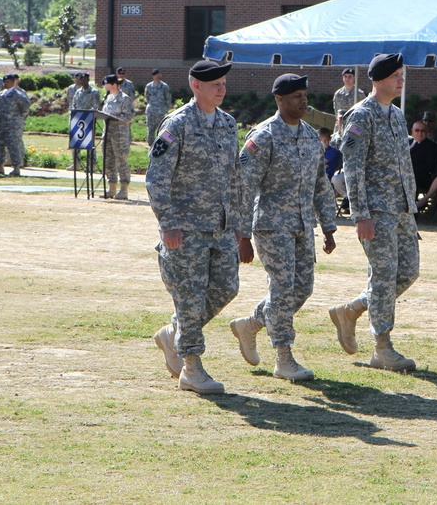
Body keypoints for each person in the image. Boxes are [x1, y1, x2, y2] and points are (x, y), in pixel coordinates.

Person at [145, 60, 246, 395]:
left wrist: (237, 224)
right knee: (190, 298)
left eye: (223, 83)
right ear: (195, 85)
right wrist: (168, 224)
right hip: (185, 230)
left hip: (220, 227)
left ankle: (174, 333)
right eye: (215, 83)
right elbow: (156, 179)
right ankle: (191, 367)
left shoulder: (228, 124)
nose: (221, 88)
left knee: (227, 288)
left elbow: (234, 178)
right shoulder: (177, 124)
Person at [231, 74, 337, 381]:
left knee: (302, 288)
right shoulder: (263, 136)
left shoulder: (309, 136)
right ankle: (284, 357)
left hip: (303, 226)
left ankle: (250, 324)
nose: (303, 102)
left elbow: (321, 185)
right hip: (271, 226)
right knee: (282, 288)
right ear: (279, 100)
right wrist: (243, 235)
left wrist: (329, 227)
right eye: (296, 97)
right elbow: (244, 186)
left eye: (305, 96)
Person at [328, 52, 419, 372]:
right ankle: (382, 347)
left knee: (408, 272)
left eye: (402, 74)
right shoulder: (360, 115)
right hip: (376, 211)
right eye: (395, 75)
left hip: (402, 210)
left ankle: (351, 310)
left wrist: (412, 205)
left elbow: (403, 165)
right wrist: (361, 214)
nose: (401, 79)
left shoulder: (395, 115)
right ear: (377, 80)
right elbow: (351, 169)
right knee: (382, 277)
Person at [100, 74, 135, 200]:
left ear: (114, 84)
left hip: (120, 135)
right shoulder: (108, 98)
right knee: (108, 161)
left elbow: (129, 117)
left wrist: (115, 118)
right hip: (107, 134)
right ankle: (111, 188)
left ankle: (123, 190)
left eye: (106, 84)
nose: (105, 86)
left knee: (121, 161)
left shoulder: (125, 99)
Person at [0, 74, 31, 177]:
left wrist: (18, 119)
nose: (5, 84)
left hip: (13, 126)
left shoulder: (18, 95)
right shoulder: (0, 95)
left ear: (13, 82)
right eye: (5, 82)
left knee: (13, 146)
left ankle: (16, 168)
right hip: (1, 125)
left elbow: (26, 108)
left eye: (8, 82)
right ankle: (0, 167)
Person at [68, 72, 101, 172]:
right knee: (76, 143)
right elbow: (73, 105)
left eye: (86, 79)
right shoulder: (78, 92)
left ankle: (91, 166)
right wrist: (74, 114)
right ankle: (76, 164)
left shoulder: (94, 92)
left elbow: (96, 106)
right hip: (78, 121)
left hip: (89, 120)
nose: (84, 81)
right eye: (82, 79)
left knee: (90, 144)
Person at [409, 120, 437, 195]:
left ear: (427, 132)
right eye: (417, 130)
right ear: (412, 131)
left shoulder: (432, 147)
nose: (420, 133)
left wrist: (409, 170)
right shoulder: (405, 143)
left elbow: (429, 166)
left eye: (423, 131)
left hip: (421, 177)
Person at [332, 68, 366, 133]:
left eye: (350, 77)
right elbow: (336, 111)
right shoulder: (338, 94)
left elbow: (364, 111)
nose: (347, 79)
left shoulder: (359, 94)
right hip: (340, 126)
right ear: (343, 78)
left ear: (354, 78)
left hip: (355, 125)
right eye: (345, 76)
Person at [144, 68, 173, 143]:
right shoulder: (149, 86)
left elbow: (168, 98)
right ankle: (150, 144)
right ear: (153, 76)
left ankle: (165, 143)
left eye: (159, 74)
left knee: (162, 128)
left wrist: (166, 108)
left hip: (161, 111)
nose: (158, 76)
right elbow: (146, 97)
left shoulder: (164, 86)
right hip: (151, 111)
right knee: (150, 128)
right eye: (157, 74)